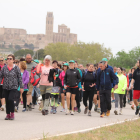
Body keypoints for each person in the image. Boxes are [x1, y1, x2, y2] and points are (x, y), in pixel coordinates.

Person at [0, 54, 23, 120]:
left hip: (14, 86)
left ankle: (12, 113)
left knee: (11, 99)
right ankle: (8, 114)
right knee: (7, 100)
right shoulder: (4, 68)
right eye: (8, 59)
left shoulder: (16, 68)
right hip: (5, 86)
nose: (9, 60)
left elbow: (20, 77)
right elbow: (1, 76)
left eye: (10, 59)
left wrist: (21, 87)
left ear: (13, 60)